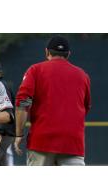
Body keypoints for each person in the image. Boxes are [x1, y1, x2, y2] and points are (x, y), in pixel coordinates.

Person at [14, 36, 91, 166]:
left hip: (41, 141)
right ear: (68, 54)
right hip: (73, 143)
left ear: (47, 52)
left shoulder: (35, 70)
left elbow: (23, 102)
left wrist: (19, 134)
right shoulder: (82, 75)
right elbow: (86, 107)